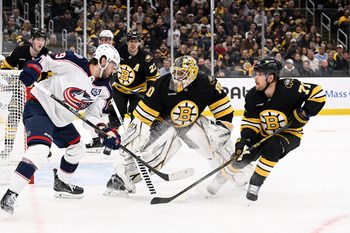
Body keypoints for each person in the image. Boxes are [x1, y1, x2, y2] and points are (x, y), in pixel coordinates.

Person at [104, 55, 254, 196]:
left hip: (190, 124)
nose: (176, 77)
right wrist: (132, 142)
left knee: (212, 139)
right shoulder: (161, 85)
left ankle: (240, 173)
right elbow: (141, 119)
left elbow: (224, 111)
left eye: (181, 73)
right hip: (161, 124)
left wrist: (222, 131)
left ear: (192, 73)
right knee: (155, 155)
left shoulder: (207, 84)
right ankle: (121, 179)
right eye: (175, 72)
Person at [0, 44, 122, 215]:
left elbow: (93, 118)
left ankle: (62, 183)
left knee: (77, 147)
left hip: (60, 120)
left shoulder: (104, 90)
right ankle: (10, 194)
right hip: (39, 107)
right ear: (103, 60)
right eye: (113, 65)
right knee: (40, 150)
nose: (113, 70)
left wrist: (105, 132)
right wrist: (34, 68)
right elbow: (46, 61)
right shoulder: (74, 61)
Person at [230, 58, 326, 202]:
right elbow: (251, 121)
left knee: (272, 147)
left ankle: (255, 184)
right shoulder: (253, 95)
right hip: (263, 133)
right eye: (256, 74)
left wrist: (304, 113)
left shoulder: (290, 87)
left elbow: (318, 93)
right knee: (241, 157)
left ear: (271, 77)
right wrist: (245, 140)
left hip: (290, 133)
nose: (255, 78)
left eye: (259, 75)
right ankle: (217, 182)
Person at [0, 28, 51, 158]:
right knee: (14, 116)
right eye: (38, 39)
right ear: (31, 40)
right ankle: (8, 147)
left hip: (38, 92)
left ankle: (43, 146)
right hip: (20, 89)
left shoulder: (47, 55)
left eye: (43, 40)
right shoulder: (19, 51)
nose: (41, 42)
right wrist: (11, 81)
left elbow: (52, 75)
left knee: (39, 119)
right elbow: (5, 69)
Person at [108, 30, 159, 129]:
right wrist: (108, 83)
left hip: (139, 91)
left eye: (135, 41)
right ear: (127, 42)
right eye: (131, 41)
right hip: (119, 88)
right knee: (116, 111)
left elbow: (152, 77)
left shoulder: (146, 58)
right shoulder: (118, 51)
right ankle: (113, 135)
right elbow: (110, 67)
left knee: (137, 113)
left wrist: (149, 95)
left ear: (139, 42)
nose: (133, 44)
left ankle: (134, 135)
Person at [85, 29, 115, 151]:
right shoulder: (98, 52)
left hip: (108, 90)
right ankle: (97, 139)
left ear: (112, 41)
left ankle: (107, 137)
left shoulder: (114, 54)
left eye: (107, 39)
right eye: (102, 39)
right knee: (90, 115)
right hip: (96, 89)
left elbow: (114, 72)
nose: (104, 42)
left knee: (104, 114)